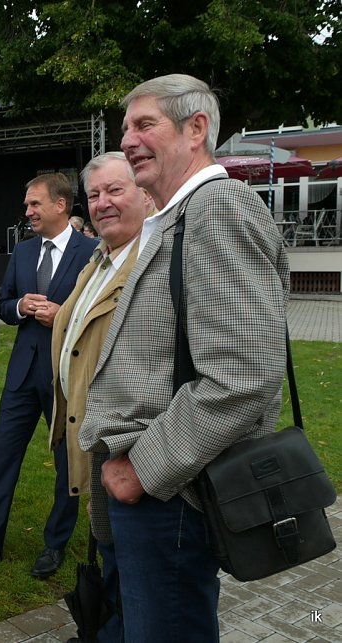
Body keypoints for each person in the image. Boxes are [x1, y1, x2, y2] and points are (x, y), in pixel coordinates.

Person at [79, 74, 289, 641]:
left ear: (196, 129)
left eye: (144, 124)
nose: (127, 140)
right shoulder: (177, 215)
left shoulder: (217, 207)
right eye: (126, 128)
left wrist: (142, 469)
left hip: (173, 491)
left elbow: (243, 378)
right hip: (159, 490)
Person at [0, 173, 96, 577]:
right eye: (27, 205)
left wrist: (63, 315)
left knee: (67, 463)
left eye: (34, 204)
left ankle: (55, 544)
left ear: (60, 205)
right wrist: (19, 307)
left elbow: (101, 313)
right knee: (2, 457)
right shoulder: (24, 251)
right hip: (23, 374)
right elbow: (4, 305)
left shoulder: (93, 252)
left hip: (67, 375)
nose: (27, 212)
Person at [51, 152, 154, 640]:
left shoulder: (150, 261)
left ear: (146, 195)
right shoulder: (99, 260)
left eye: (115, 190)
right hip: (99, 441)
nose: (102, 203)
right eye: (94, 195)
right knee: (111, 556)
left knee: (140, 575)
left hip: (135, 448)